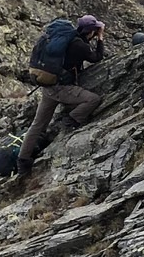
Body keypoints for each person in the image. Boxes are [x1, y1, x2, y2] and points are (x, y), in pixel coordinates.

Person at [20, 14, 107, 174]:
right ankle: (72, 119)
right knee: (93, 99)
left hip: (48, 86)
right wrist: (100, 38)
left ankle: (23, 162)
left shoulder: (67, 38)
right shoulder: (80, 45)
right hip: (62, 89)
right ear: (91, 31)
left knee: (38, 124)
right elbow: (97, 57)